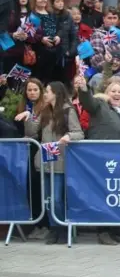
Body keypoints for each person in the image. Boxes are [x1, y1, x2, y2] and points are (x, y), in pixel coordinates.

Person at [74, 75, 120, 245]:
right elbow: (88, 101)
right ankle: (102, 231)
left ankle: (111, 229)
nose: (117, 94)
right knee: (103, 194)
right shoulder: (100, 105)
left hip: (117, 159)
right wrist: (83, 88)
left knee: (114, 195)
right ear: (107, 93)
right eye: (113, 91)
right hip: (101, 157)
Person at [21, 82, 84, 244]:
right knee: (47, 198)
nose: (45, 94)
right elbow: (32, 132)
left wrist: (69, 137)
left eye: (47, 91)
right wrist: (28, 118)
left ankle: (62, 228)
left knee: (56, 198)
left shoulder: (67, 111)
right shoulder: (45, 111)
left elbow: (79, 133)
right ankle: (54, 229)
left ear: (56, 93)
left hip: (60, 161)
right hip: (45, 160)